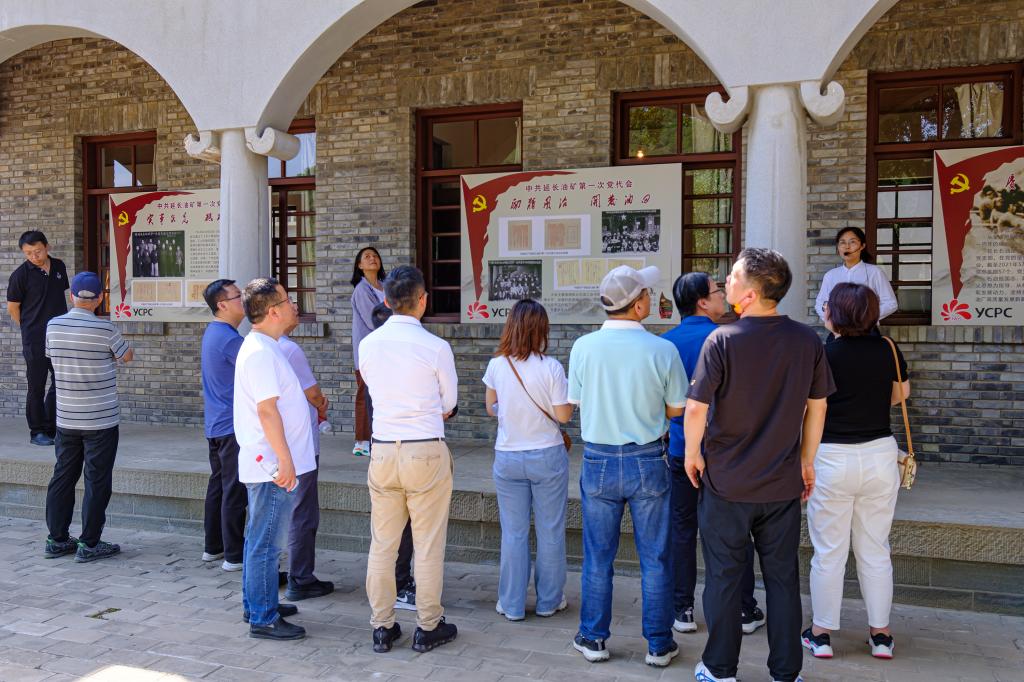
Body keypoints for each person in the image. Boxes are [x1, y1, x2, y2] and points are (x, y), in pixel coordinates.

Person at [683, 248, 834, 682]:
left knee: (724, 578)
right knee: (783, 580)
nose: (726, 282)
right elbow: (818, 407)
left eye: (732, 276)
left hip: (726, 483)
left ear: (749, 294)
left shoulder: (722, 340)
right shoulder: (807, 340)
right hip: (782, 484)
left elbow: (695, 408)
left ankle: (719, 669)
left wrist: (692, 454)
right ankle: (786, 673)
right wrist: (807, 462)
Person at [567, 265, 686, 668]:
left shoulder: (583, 347)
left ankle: (593, 637)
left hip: (598, 458)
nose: (651, 299)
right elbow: (676, 408)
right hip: (648, 458)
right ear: (637, 305)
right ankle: (658, 643)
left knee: (598, 557)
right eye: (647, 294)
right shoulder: (662, 349)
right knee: (655, 558)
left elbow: (574, 402)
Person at [801, 283, 909, 661]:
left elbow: (809, 407)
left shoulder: (822, 353)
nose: (824, 310)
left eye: (828, 306)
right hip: (879, 454)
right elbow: (900, 394)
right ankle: (881, 635)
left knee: (829, 551)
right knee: (875, 548)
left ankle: (821, 635)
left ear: (837, 313)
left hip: (831, 457)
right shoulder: (888, 349)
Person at [359, 265, 459, 654]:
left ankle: (382, 626)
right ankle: (428, 625)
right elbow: (449, 402)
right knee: (428, 544)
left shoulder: (369, 345)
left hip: (384, 448)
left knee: (383, 544)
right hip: (425, 448)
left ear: (386, 301)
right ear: (422, 300)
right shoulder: (436, 347)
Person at [661, 273, 764, 636]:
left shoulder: (665, 344)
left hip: (680, 449)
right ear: (703, 302)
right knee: (734, 532)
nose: (724, 295)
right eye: (718, 291)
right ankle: (744, 608)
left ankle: (682, 609)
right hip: (726, 454)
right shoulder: (730, 339)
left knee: (682, 529)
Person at [234, 278, 316, 641]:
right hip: (271, 464)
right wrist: (286, 460)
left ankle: (258, 602)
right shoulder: (260, 353)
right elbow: (267, 411)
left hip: (271, 462)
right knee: (266, 543)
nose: (293, 305)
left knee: (260, 538)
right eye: (286, 300)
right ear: (272, 311)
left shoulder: (267, 347)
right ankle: (263, 617)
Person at [483, 299, 573, 622]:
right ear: (541, 329)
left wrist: (507, 410)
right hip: (547, 455)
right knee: (550, 531)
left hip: (508, 457)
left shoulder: (497, 365)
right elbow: (563, 416)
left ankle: (512, 604)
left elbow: (490, 407)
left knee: (514, 533)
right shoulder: (552, 367)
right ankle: (549, 601)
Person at [43, 271, 133, 563]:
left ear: (72, 296)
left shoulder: (53, 326)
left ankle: (57, 540)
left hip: (66, 418)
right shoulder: (105, 328)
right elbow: (125, 356)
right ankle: (89, 543)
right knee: (96, 480)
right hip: (101, 420)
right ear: (98, 299)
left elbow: (51, 356)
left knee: (62, 476)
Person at [279, 323, 334, 602]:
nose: (294, 307)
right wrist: (322, 403)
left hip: (275, 444)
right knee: (303, 512)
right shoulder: (289, 349)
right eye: (288, 303)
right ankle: (300, 578)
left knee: (276, 513)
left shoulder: (255, 346)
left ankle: (272, 576)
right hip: (298, 445)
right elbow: (313, 395)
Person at [369, 301, 417, 613]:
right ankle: (401, 585)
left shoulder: (370, 353)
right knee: (407, 528)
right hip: (413, 450)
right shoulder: (417, 356)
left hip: (382, 449)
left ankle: (383, 604)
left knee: (384, 533)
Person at [199, 279, 248, 571]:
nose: (243, 299)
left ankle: (214, 546)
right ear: (222, 305)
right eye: (238, 296)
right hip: (231, 425)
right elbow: (256, 367)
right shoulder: (230, 339)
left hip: (217, 423)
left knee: (219, 485)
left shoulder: (215, 332)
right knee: (234, 489)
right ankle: (234, 555)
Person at [6, 230, 69, 446]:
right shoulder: (20, 275)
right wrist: (28, 328)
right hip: (34, 339)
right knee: (36, 385)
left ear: (47, 247)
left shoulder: (59, 266)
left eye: (38, 251)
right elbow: (13, 308)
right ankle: (37, 432)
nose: (34, 256)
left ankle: (51, 426)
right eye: (28, 253)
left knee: (61, 381)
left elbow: (59, 296)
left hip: (59, 336)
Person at [815, 227, 897, 324]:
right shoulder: (830, 275)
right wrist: (833, 320)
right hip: (839, 329)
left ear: (862, 246)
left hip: (867, 329)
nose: (847, 247)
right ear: (838, 247)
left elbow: (890, 303)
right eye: (842, 243)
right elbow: (820, 303)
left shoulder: (875, 272)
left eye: (852, 242)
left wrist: (866, 317)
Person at [350, 246, 387, 457]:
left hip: (386, 351)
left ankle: (378, 436)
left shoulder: (385, 286)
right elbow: (374, 320)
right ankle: (362, 441)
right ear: (360, 265)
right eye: (367, 256)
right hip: (369, 352)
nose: (372, 258)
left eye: (375, 255)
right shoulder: (362, 290)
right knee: (365, 394)